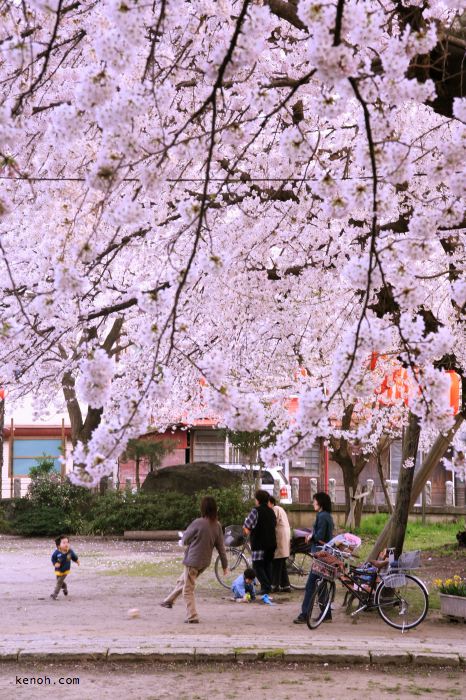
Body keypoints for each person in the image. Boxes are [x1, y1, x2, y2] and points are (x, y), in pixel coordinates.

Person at [160, 496, 228, 623]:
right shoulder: (217, 525)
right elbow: (221, 547)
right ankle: (168, 601)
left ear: (203, 508)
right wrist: (225, 565)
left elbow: (185, 539)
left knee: (187, 589)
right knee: (183, 581)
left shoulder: (198, 522)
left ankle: (192, 616)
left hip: (193, 561)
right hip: (204, 562)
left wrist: (187, 539)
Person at [293, 492, 334, 624]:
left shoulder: (321, 516)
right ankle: (326, 614)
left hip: (320, 554)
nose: (313, 503)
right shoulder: (328, 516)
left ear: (320, 502)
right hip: (325, 553)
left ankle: (305, 614)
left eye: (314, 501)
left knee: (311, 585)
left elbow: (320, 537)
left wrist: (310, 537)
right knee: (320, 584)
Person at [243, 489, 277, 595]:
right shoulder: (271, 511)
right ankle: (268, 586)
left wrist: (245, 529)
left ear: (257, 500)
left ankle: (266, 587)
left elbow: (247, 526)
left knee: (257, 566)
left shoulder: (256, 511)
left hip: (259, 543)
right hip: (271, 543)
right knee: (268, 565)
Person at [268, 495, 291, 593]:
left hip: (280, 537)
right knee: (281, 564)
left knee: (277, 562)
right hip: (284, 537)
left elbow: (272, 522)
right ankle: (286, 586)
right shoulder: (280, 508)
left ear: (271, 503)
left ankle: (275, 585)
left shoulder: (275, 509)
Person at [50, 535, 80, 600]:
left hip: (66, 569)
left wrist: (77, 561)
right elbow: (53, 559)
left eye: (67, 542)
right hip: (58, 570)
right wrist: (55, 563)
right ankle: (64, 587)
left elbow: (74, 557)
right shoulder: (56, 553)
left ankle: (55, 594)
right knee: (59, 581)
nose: (66, 544)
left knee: (59, 582)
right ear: (58, 545)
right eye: (64, 543)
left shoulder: (70, 551)